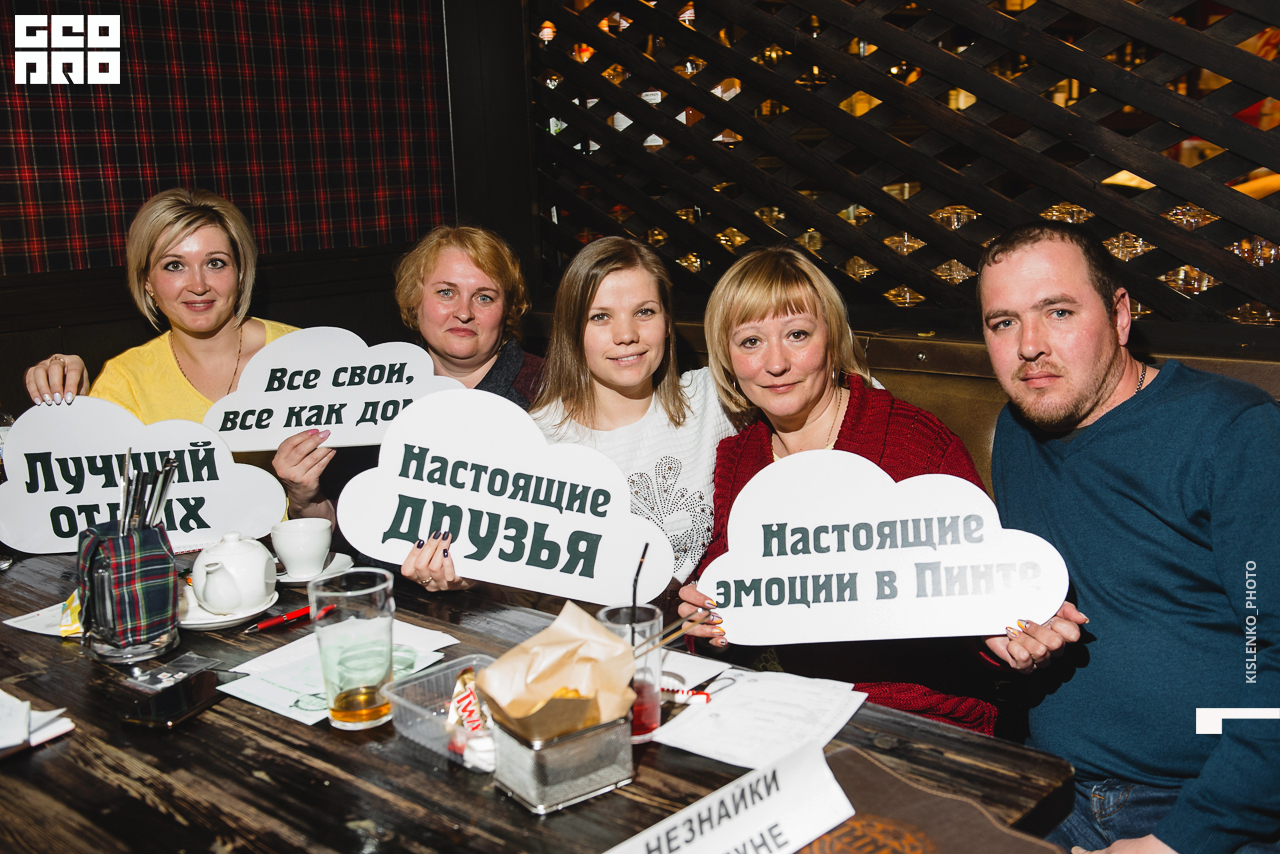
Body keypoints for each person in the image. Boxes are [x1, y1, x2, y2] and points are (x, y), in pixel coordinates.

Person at [976, 221, 1279, 853]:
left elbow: (1272, 657)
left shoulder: (1235, 432)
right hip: (1051, 783)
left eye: (1058, 312)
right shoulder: (1018, 431)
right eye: (1003, 322)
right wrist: (1016, 631)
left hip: (1199, 801)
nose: (1029, 346)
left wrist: (1181, 840)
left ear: (1119, 315)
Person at [676, 244, 999, 735]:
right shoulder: (739, 459)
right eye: (750, 342)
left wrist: (1010, 637)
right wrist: (707, 625)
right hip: (792, 712)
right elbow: (728, 604)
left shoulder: (913, 443)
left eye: (797, 334)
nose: (775, 363)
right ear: (727, 358)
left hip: (919, 720)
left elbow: (987, 605)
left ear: (831, 338)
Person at [400, 236, 735, 599]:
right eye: (600, 317)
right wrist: (470, 578)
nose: (626, 335)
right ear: (572, 331)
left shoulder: (713, 399)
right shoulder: (535, 440)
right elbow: (522, 578)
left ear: (668, 321)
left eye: (644, 312)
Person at [271, 225, 545, 524]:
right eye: (446, 292)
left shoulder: (550, 390)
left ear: (507, 310)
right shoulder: (371, 393)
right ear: (415, 301)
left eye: (484, 298)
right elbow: (350, 526)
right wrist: (304, 498)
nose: (464, 312)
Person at [24, 188, 296, 421]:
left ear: (240, 273)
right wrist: (71, 406)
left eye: (215, 263)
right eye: (174, 266)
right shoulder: (126, 380)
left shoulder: (302, 353)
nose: (198, 286)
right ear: (147, 281)